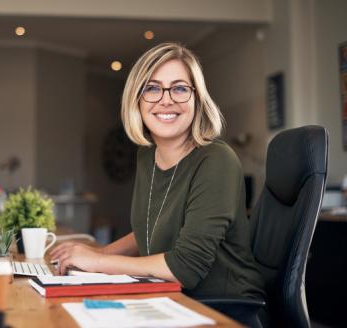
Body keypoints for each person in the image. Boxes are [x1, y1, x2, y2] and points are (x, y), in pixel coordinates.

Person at [51, 42, 265, 300]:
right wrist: (98, 253)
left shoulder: (216, 160)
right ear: (137, 100)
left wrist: (98, 263)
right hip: (167, 296)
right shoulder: (147, 157)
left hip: (223, 306)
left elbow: (185, 268)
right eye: (152, 88)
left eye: (179, 88)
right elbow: (148, 231)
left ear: (197, 98)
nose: (166, 100)